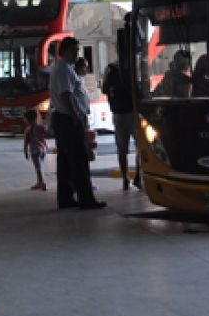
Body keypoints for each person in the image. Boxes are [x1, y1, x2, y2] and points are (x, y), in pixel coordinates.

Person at [48, 37, 104, 210]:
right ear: (64, 51)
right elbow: (66, 95)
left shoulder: (64, 67)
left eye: (77, 50)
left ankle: (65, 197)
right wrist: (75, 115)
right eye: (73, 50)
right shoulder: (64, 69)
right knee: (79, 160)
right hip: (68, 119)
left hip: (63, 118)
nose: (76, 54)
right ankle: (86, 198)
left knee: (66, 161)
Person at [104, 60, 140, 191]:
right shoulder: (132, 66)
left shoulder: (110, 68)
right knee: (140, 146)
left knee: (121, 149)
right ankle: (138, 177)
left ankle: (125, 178)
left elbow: (105, 89)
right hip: (132, 113)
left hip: (118, 114)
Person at [22, 110, 48, 191]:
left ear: (27, 119)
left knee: (38, 168)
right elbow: (46, 135)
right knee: (40, 166)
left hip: (35, 151)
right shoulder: (41, 127)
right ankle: (39, 182)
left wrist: (25, 152)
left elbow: (26, 142)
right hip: (43, 150)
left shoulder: (28, 130)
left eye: (25, 119)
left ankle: (42, 183)